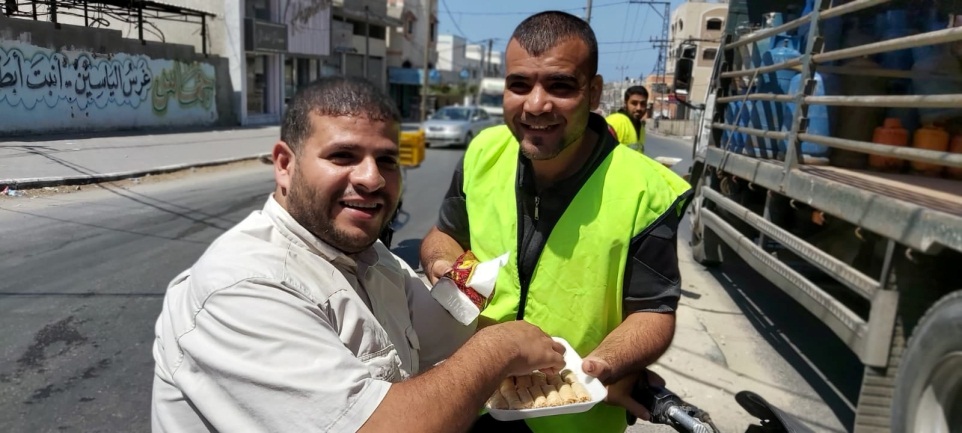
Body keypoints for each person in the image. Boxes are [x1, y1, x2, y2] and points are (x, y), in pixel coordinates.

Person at [151, 76, 566, 433]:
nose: (371, 179)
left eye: (387, 160)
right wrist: (498, 350)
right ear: (284, 165)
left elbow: (447, 334)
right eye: (343, 156)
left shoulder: (371, 259)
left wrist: (565, 360)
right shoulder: (243, 284)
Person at [419, 11, 692, 433]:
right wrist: (444, 265)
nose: (536, 104)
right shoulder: (483, 151)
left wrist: (601, 366)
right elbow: (445, 235)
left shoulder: (645, 190)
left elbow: (653, 310)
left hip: (571, 412)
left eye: (560, 85)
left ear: (595, 92)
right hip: (476, 398)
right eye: (519, 84)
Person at [606, 85, 649, 153]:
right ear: (625, 104)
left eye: (643, 104)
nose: (639, 108)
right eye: (634, 103)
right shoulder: (615, 122)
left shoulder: (641, 128)